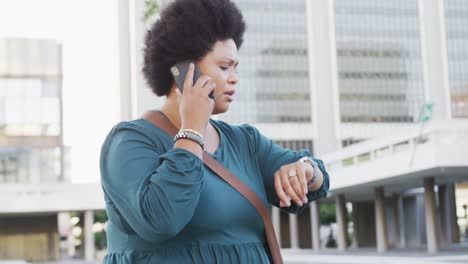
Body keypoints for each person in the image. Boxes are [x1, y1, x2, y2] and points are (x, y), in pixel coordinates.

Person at [99, 0, 330, 263]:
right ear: (184, 71)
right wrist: (191, 131)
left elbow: (317, 178)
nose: (234, 78)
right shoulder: (129, 142)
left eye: (236, 67)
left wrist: (306, 171)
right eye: (224, 67)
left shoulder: (245, 142)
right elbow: (161, 220)